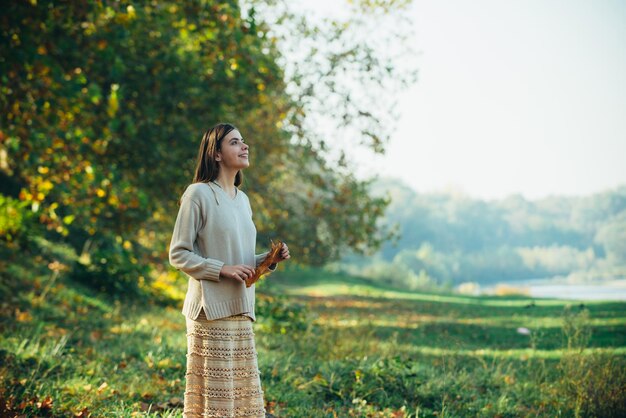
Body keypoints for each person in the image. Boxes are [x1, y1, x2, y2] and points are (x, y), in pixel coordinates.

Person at [168, 123, 290, 417]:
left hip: (241, 309)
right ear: (217, 153)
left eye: (243, 141)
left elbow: (240, 259)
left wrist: (269, 259)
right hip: (210, 312)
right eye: (235, 142)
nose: (244, 146)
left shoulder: (243, 199)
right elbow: (178, 253)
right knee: (216, 405)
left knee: (241, 402)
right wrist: (221, 270)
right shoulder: (197, 194)